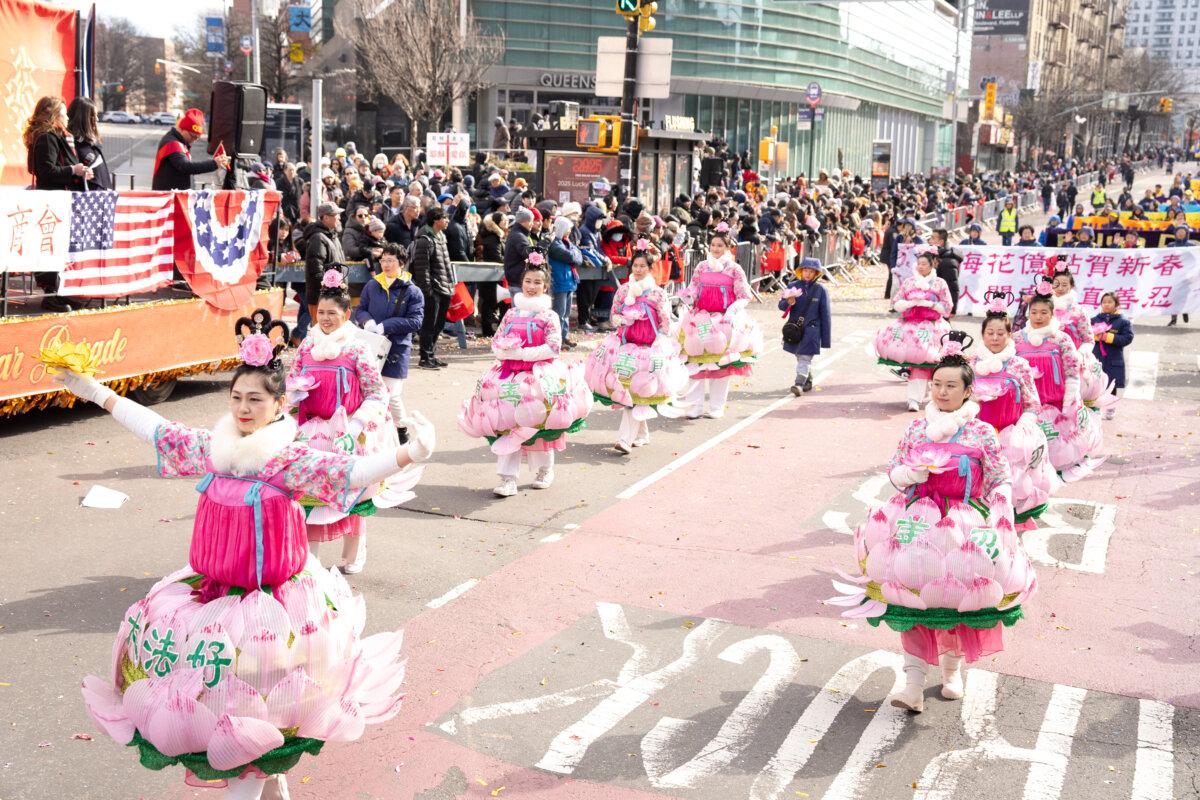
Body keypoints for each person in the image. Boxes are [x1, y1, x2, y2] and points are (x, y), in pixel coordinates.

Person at [60, 312, 434, 800]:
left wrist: (409, 454)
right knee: (233, 708)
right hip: (213, 601)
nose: (243, 408)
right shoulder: (214, 450)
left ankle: (260, 778)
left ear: (279, 405)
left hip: (276, 608)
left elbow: (352, 471)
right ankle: (268, 779)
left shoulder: (288, 460)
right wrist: (96, 392)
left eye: (255, 399)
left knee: (262, 704)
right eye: (236, 398)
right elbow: (156, 428)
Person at [827, 353, 1035, 714]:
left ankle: (952, 672)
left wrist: (1000, 506)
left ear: (968, 391)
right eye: (937, 383)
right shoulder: (916, 428)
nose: (941, 391)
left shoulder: (982, 431)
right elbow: (894, 470)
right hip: (916, 520)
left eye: (951, 385)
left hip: (964, 523)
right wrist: (909, 476)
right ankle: (912, 685)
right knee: (909, 596)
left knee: (953, 601)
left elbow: (1000, 476)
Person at [288, 271, 422, 574]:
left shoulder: (357, 349)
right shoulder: (307, 347)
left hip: (349, 433)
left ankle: (353, 555)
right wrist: (293, 394)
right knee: (310, 497)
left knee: (353, 497)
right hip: (311, 433)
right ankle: (310, 561)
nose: (325, 318)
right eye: (320, 312)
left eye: (332, 313)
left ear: (346, 314)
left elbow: (377, 393)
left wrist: (357, 426)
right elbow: (291, 382)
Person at [458, 255, 592, 496]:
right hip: (509, 374)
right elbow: (496, 342)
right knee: (507, 423)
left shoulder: (549, 316)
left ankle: (544, 470)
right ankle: (507, 478)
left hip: (539, 375)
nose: (532, 287)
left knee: (539, 421)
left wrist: (520, 353)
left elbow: (553, 347)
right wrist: (504, 350)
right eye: (528, 281)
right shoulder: (511, 314)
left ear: (546, 286)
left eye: (537, 282)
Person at [585, 244, 687, 453]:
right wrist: (623, 319)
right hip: (624, 345)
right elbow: (613, 315)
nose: (638, 270)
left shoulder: (658, 293)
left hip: (649, 347)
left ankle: (624, 439)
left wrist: (660, 341)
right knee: (630, 390)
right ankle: (641, 433)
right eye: (635, 266)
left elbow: (665, 320)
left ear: (650, 268)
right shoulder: (623, 290)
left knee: (636, 391)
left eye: (642, 266)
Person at [972, 295, 1055, 529]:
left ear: (1009, 335)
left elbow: (1032, 402)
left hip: (1011, 434)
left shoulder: (1018, 365)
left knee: (1012, 481)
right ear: (983, 334)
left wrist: (1024, 426)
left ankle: (1010, 519)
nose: (995, 338)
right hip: (978, 432)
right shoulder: (970, 363)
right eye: (990, 333)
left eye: (1001, 333)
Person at [675, 225, 763, 419]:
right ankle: (694, 406)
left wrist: (732, 311)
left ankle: (716, 407)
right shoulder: (701, 267)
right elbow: (694, 288)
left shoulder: (734, 269)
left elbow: (744, 295)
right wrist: (687, 297)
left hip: (724, 321)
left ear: (727, 247)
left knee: (720, 366)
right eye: (713, 245)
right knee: (695, 363)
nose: (715, 249)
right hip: (700, 319)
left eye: (720, 245)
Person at [1013, 289, 1097, 479]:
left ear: (1052, 314)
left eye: (1044, 312)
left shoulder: (1061, 339)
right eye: (1034, 312)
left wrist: (1069, 400)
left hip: (1056, 401)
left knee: (1056, 441)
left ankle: (1055, 471)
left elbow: (1072, 370)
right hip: (1028, 404)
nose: (1038, 317)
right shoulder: (1017, 339)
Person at [23, 96, 91, 310]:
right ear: (53, 114)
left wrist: (80, 171)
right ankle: (50, 294)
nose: (68, 116)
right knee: (51, 247)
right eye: (64, 112)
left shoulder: (55, 136)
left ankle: (59, 292)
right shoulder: (46, 137)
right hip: (51, 200)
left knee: (59, 247)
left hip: (59, 198)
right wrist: (74, 170)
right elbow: (46, 171)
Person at [353, 242, 424, 439]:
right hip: (371, 346)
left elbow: (415, 321)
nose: (385, 264)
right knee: (368, 391)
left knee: (391, 395)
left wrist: (387, 326)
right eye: (383, 260)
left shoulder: (413, 291)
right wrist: (367, 322)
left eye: (390, 260)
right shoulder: (373, 284)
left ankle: (401, 430)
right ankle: (372, 434)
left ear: (401, 263)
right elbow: (360, 309)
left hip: (397, 349)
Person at [874, 249, 953, 411]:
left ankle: (923, 394)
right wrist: (909, 304)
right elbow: (896, 301)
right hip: (909, 326)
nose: (921, 267)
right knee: (917, 363)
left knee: (929, 362)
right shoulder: (909, 282)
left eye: (924, 264)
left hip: (932, 327)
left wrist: (930, 304)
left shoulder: (940, 283)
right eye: (919, 264)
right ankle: (914, 398)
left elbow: (947, 306)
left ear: (933, 264)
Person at [778, 257, 832, 396]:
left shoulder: (821, 290)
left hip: (812, 331)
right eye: (805, 270)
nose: (807, 273)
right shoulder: (793, 285)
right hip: (795, 330)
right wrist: (789, 302)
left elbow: (825, 315)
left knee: (804, 357)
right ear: (801, 271)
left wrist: (825, 340)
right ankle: (807, 379)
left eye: (811, 271)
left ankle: (798, 384)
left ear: (817, 273)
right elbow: (781, 305)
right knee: (799, 355)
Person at [411, 205, 456, 369]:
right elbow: (422, 268)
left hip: (444, 287)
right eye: (444, 218)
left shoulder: (441, 236)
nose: (447, 221)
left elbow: (446, 264)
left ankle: (432, 354)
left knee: (438, 325)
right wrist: (427, 290)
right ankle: (424, 357)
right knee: (429, 324)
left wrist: (450, 284)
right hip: (433, 289)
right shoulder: (425, 239)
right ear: (436, 220)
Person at [151, 108, 229, 190]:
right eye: (193, 136)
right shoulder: (172, 143)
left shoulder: (180, 141)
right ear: (182, 129)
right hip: (170, 195)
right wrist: (214, 163)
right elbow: (186, 167)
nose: (194, 140)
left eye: (197, 138)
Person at [1091, 292, 1133, 421]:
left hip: (1114, 358)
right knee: (1095, 385)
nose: (1107, 304)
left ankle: (1110, 409)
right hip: (1097, 356)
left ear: (1116, 304)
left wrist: (1108, 337)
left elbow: (1127, 338)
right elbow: (1085, 334)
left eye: (1110, 302)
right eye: (1104, 302)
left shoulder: (1123, 322)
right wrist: (1095, 336)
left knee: (1112, 385)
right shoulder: (1095, 319)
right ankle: (1094, 408)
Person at [303, 202, 346, 323]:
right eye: (336, 215)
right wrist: (330, 290)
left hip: (333, 297)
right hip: (322, 299)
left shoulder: (333, 236)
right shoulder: (318, 237)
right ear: (326, 217)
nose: (339, 218)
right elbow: (316, 271)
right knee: (321, 334)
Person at [547, 215, 582, 348]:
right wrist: (575, 254)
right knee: (559, 313)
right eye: (568, 229)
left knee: (566, 313)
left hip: (568, 281)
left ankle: (564, 336)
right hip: (560, 282)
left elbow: (577, 255)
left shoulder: (566, 242)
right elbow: (572, 256)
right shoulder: (554, 245)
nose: (569, 232)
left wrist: (575, 254)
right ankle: (558, 339)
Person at [67, 97, 111, 190]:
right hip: (85, 197)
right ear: (83, 118)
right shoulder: (71, 143)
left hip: (100, 194)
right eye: (93, 116)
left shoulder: (90, 141)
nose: (97, 119)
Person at [930, 228, 962, 313]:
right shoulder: (931, 256)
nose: (930, 240)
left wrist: (952, 309)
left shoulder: (948, 261)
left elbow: (952, 287)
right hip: (929, 304)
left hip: (941, 306)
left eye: (933, 238)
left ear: (941, 242)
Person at [1166, 225, 1193, 326]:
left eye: (1183, 231)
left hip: (1187, 275)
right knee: (1174, 297)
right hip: (1174, 275)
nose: (1181, 233)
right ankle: (1174, 319)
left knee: (1185, 296)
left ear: (1186, 233)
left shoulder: (1191, 245)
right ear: (1175, 233)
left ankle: (1185, 311)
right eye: (1179, 231)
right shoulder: (1171, 245)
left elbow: (1194, 259)